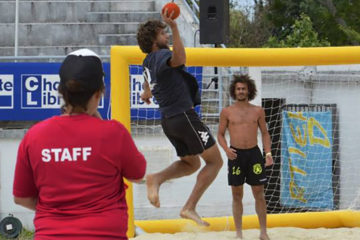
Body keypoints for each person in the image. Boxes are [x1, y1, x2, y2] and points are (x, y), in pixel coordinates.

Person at [13, 49, 146, 240]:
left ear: (61, 91)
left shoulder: (34, 136)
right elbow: (137, 175)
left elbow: (22, 197)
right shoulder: (113, 133)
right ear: (100, 93)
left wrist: (59, 211)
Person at [136, 10, 223, 226]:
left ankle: (155, 178)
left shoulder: (147, 61)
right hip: (184, 115)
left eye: (167, 32)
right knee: (215, 162)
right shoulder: (161, 55)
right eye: (163, 34)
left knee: (191, 164)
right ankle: (189, 207)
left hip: (169, 121)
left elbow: (148, 85)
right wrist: (175, 27)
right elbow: (181, 58)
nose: (166, 36)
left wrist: (147, 93)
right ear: (153, 41)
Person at [217, 74, 273, 240]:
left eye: (243, 89)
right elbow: (220, 134)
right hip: (235, 155)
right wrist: (226, 150)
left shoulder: (258, 111)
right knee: (236, 194)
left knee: (259, 193)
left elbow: (264, 133)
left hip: (254, 154)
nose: (241, 91)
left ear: (249, 91)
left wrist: (268, 153)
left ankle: (263, 232)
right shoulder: (227, 111)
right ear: (234, 91)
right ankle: (239, 234)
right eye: (238, 89)